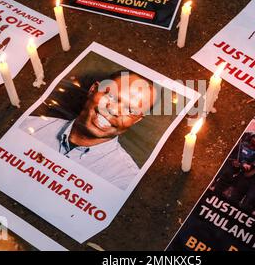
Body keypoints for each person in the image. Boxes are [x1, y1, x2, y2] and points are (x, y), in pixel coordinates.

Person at [20, 70, 158, 190]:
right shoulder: (29, 127)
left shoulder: (125, 179)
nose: (114, 110)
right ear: (93, 89)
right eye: (111, 97)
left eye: (131, 110)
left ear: (137, 120)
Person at [214, 132, 255, 203]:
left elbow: (253, 165)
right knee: (218, 189)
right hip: (230, 171)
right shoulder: (241, 145)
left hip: (241, 176)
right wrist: (233, 161)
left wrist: (245, 165)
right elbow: (230, 156)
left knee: (228, 196)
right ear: (251, 137)